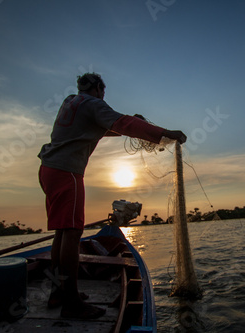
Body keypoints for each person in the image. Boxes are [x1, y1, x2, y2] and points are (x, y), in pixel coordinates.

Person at [38, 72, 186, 319]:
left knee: (62, 233)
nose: (103, 96)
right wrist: (164, 132)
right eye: (103, 92)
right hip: (67, 173)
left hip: (49, 169)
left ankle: (58, 291)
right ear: (98, 89)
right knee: (73, 234)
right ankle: (71, 302)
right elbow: (122, 123)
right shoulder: (94, 103)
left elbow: (100, 127)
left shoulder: (70, 102)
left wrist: (121, 125)